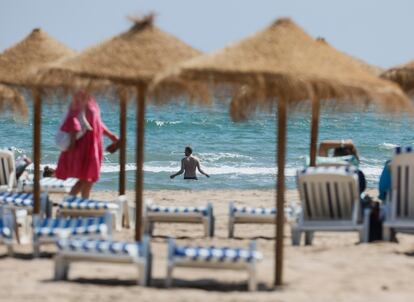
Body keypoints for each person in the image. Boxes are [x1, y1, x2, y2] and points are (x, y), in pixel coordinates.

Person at [55, 91, 119, 198]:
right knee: (85, 179)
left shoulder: (92, 101)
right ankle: (71, 204)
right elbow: (72, 119)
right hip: (83, 144)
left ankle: (81, 203)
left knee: (88, 179)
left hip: (93, 143)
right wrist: (72, 141)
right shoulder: (79, 98)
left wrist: (111, 136)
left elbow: (97, 122)